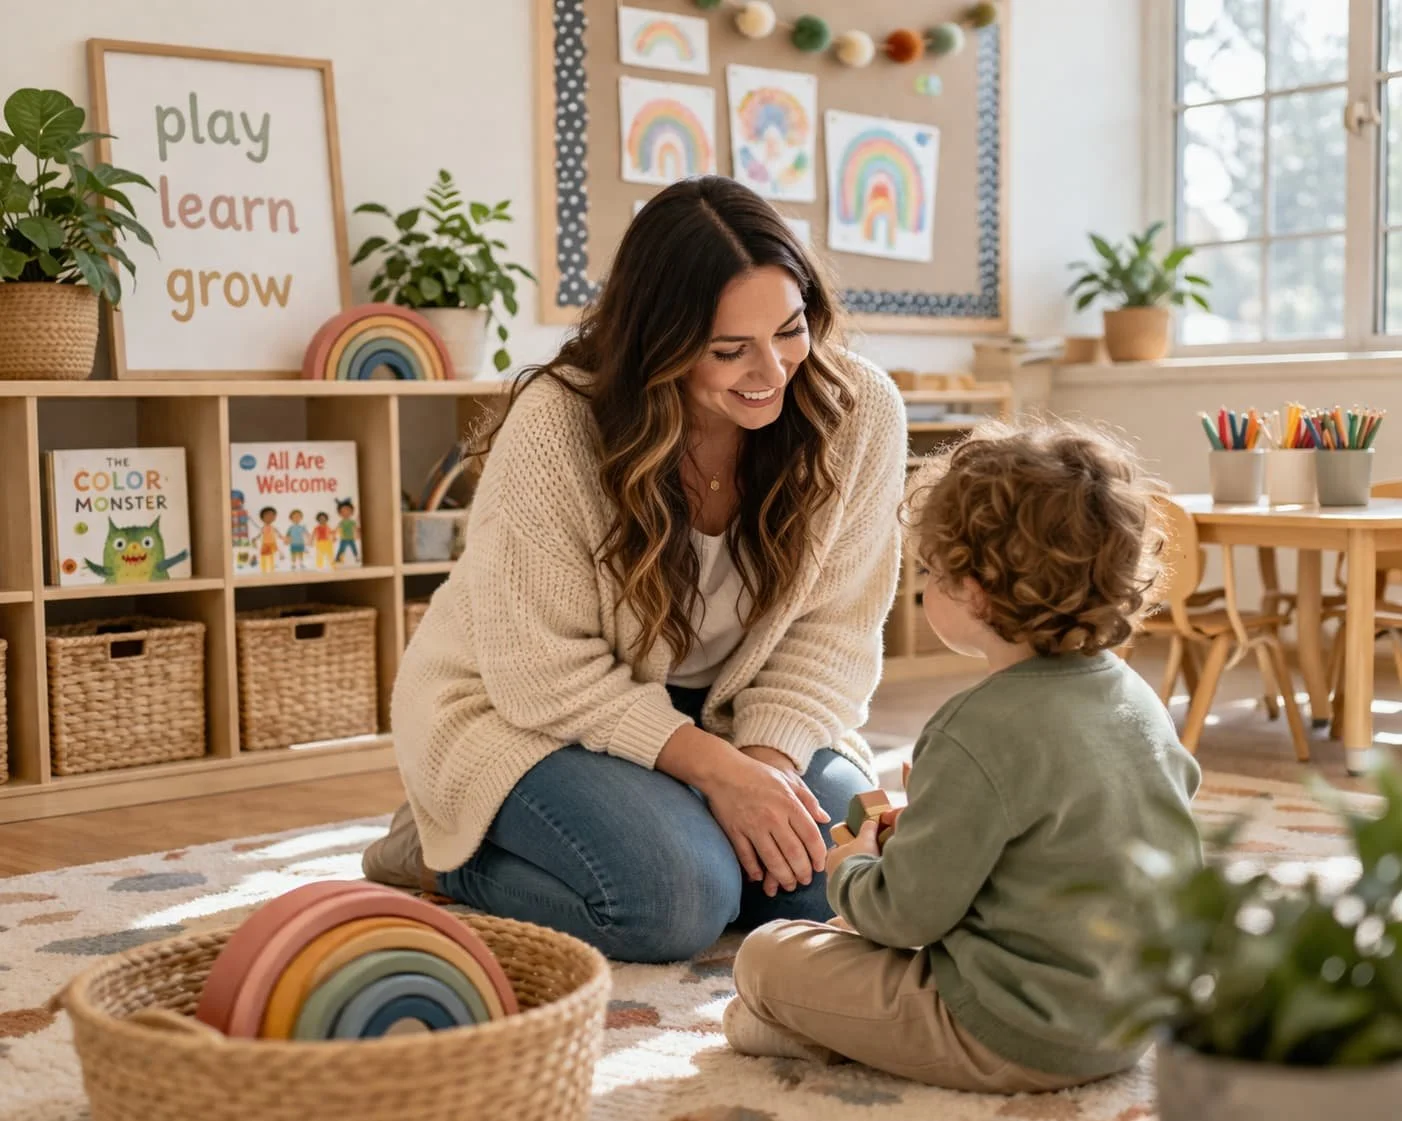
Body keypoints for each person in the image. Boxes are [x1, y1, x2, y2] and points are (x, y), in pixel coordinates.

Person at [362, 176, 908, 963]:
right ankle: (448, 850)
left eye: (790, 330)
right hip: (524, 709)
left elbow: (834, 635)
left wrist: (758, 769)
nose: (772, 371)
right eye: (728, 350)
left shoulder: (859, 413)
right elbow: (539, 673)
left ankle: (675, 821)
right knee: (676, 902)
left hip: (728, 713)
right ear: (661, 341)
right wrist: (711, 771)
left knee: (834, 881)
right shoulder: (558, 426)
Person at [724, 419, 1204, 1091]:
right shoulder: (1140, 702)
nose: (923, 586)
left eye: (930, 571)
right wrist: (932, 824)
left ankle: (808, 1027)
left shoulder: (972, 729)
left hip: (1007, 1031)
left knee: (768, 954)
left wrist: (854, 866)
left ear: (974, 589)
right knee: (842, 941)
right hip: (1131, 1020)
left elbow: (906, 917)